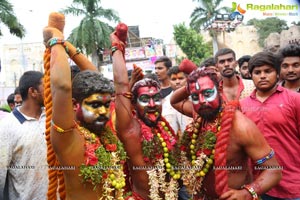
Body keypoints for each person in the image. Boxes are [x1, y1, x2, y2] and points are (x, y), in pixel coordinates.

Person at [43, 23, 128, 199]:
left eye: (106, 104)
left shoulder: (106, 133)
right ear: (74, 105)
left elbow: (95, 77)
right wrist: (56, 38)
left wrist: (69, 47)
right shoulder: (67, 137)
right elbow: (62, 86)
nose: (104, 111)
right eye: (95, 105)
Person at [170, 67, 282, 199]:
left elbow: (274, 170)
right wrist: (195, 81)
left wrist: (247, 193)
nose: (202, 101)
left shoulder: (240, 126)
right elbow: (175, 101)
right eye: (195, 96)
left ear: (220, 90)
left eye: (207, 93)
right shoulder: (200, 115)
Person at [111, 26, 181, 199]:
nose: (152, 104)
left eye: (156, 98)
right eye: (144, 99)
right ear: (133, 103)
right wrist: (117, 48)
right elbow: (120, 85)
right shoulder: (131, 130)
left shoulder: (165, 128)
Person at [240, 51, 300, 200]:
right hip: (259, 185)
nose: (262, 76)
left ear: (278, 73)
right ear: (251, 75)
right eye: (257, 72)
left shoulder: (294, 100)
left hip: (293, 183)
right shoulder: (242, 106)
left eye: (268, 71)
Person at [0, 71, 48, 200]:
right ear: (32, 92)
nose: (51, 91)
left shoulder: (52, 118)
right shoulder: (6, 127)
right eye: (46, 86)